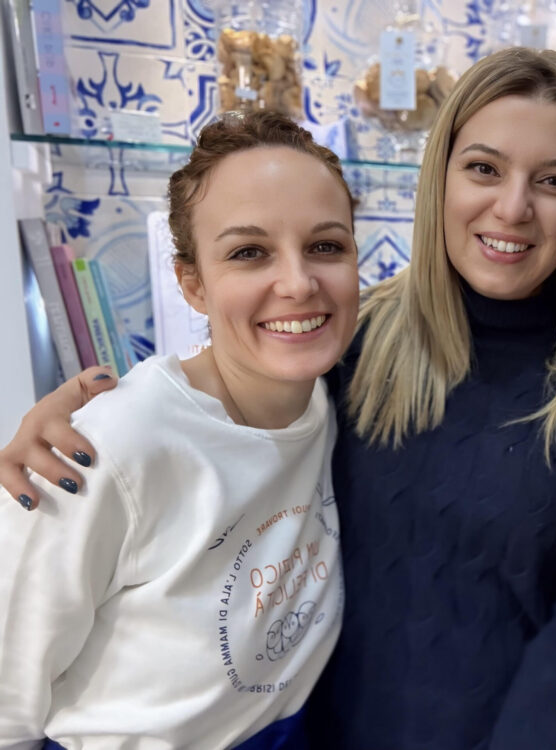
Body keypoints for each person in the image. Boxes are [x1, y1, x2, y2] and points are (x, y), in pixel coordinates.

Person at [0, 47, 556, 749]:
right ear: (439, 179)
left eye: (555, 181)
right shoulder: (359, 347)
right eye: (483, 168)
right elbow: (218, 395)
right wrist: (88, 426)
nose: (512, 206)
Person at [0, 111, 359, 748]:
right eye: (249, 253)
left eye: (326, 246)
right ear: (191, 283)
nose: (299, 283)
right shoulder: (107, 446)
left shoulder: (346, 396)